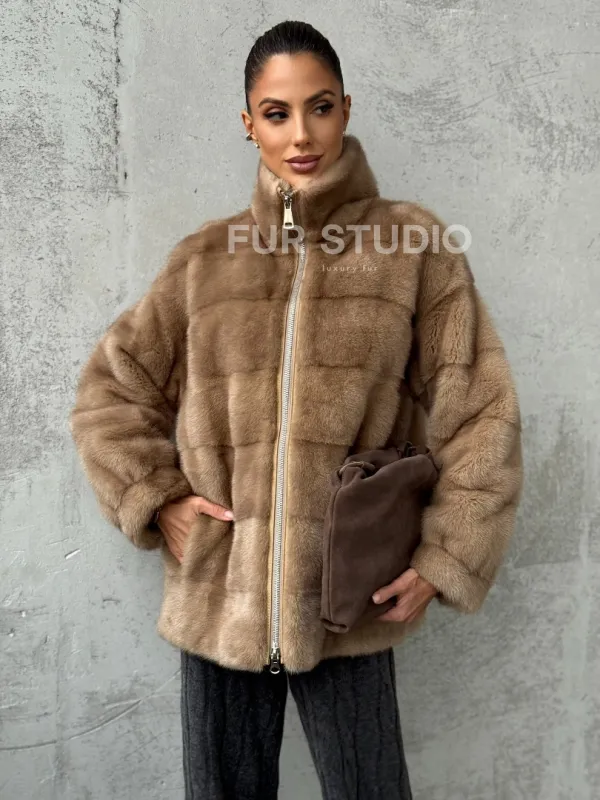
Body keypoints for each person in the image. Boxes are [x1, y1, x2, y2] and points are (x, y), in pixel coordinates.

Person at [69, 19, 524, 800]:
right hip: (220, 595)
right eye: (277, 114)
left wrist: (444, 557)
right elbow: (110, 392)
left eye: (319, 107)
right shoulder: (205, 261)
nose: (302, 135)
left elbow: (481, 412)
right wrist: (157, 499)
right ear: (249, 124)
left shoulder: (413, 248)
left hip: (349, 598)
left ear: (346, 108)